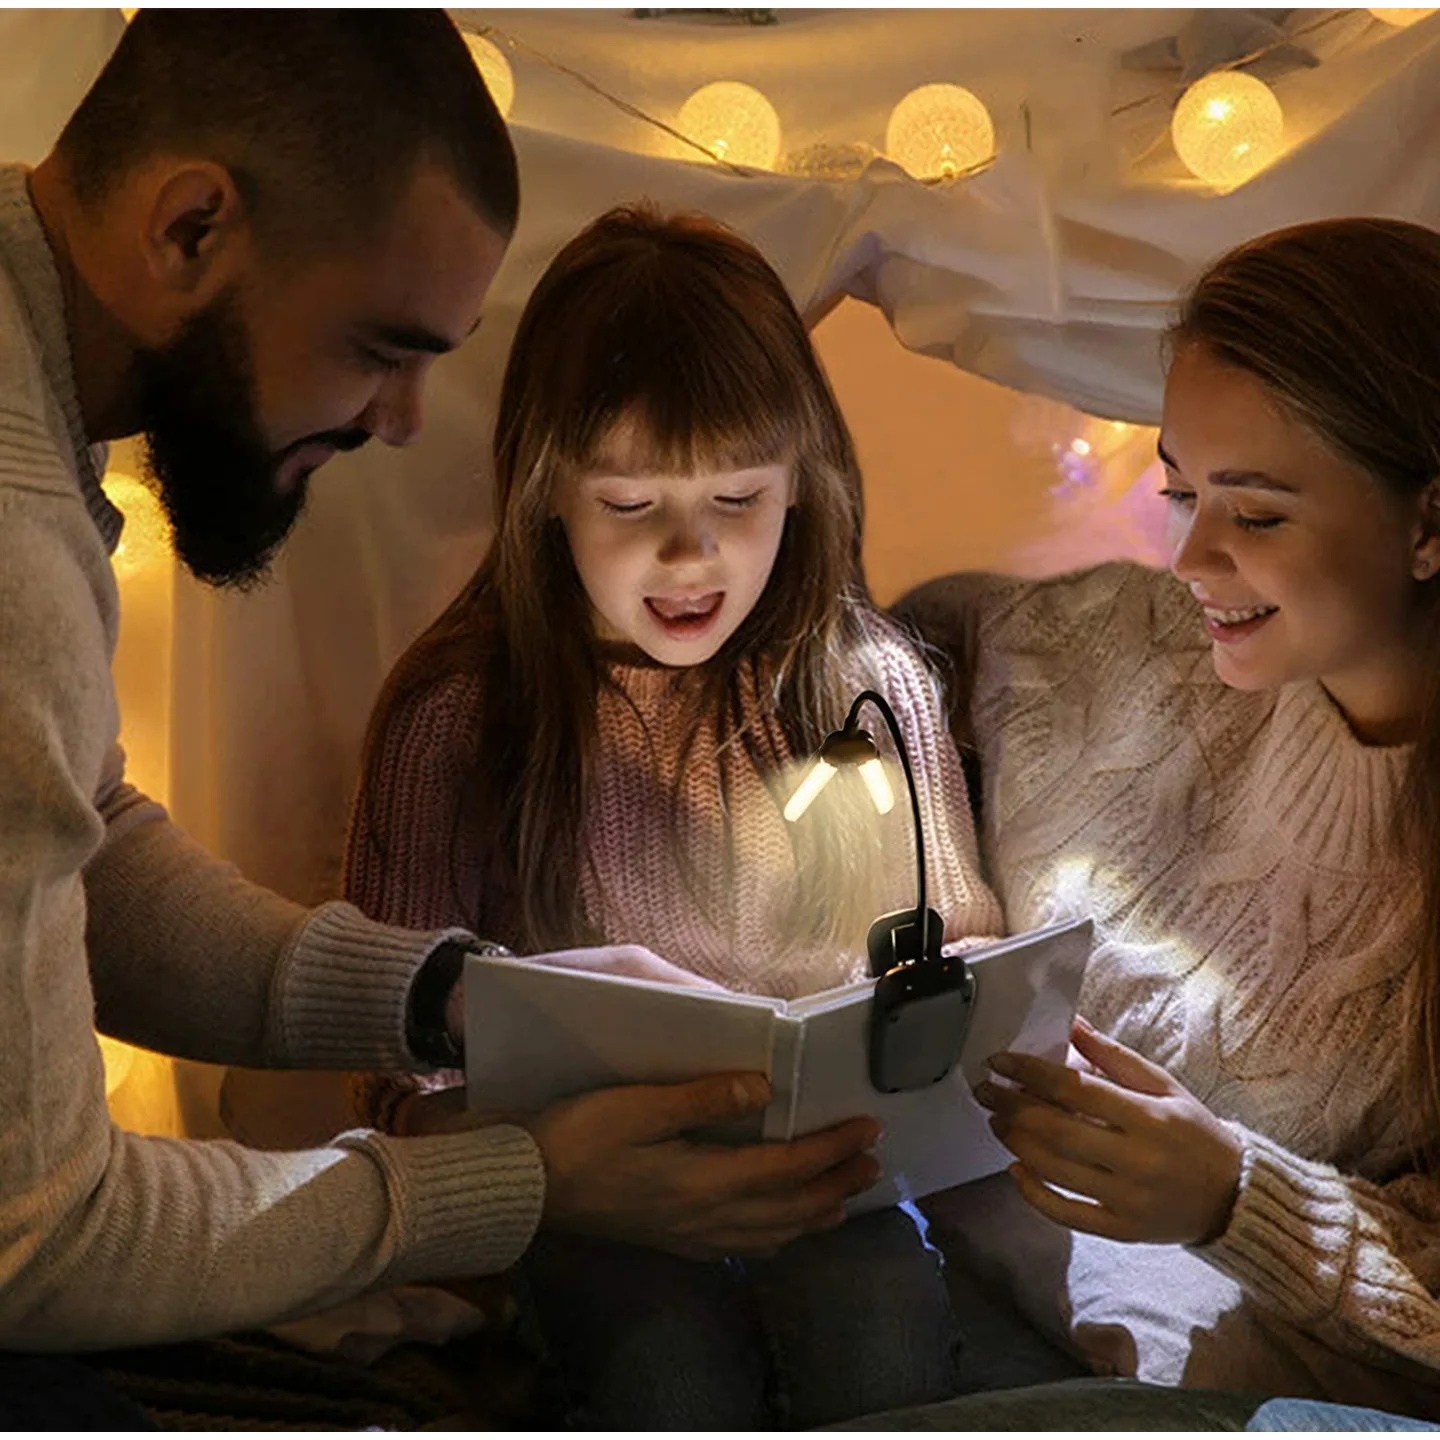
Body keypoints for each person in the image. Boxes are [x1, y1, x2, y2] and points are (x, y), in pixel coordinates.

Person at [0, 8, 880, 1385]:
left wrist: (464, 994)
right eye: (379, 349)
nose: (404, 424)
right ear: (191, 229)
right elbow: (40, 1243)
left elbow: (86, 846)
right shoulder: (13, 558)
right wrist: (513, 1185)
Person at [340, 205, 1007, 1427]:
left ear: (802, 484)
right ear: (548, 494)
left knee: (883, 1335)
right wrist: (514, 1138)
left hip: (831, 1183)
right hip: (590, 1200)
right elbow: (390, 1052)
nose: (690, 554)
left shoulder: (870, 681)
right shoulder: (460, 715)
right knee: (663, 1371)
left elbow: (958, 938)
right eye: (633, 505)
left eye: (739, 498)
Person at [895, 216, 1440, 1422]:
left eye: (1254, 513)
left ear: (1426, 523)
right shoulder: (1146, 647)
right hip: (970, 1279)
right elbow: (910, 641)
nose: (1189, 555)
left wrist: (1237, 1200)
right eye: (1181, 488)